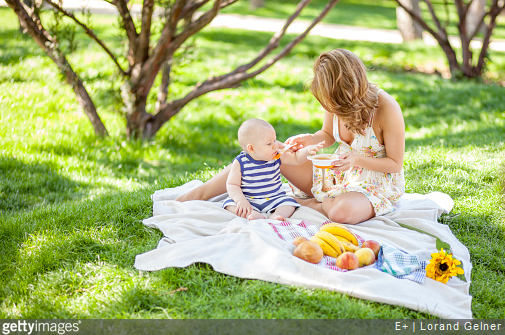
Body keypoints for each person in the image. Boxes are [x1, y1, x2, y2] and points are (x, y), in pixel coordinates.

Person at [177, 49, 405, 225]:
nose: (331, 108)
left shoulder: (386, 109)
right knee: (271, 153)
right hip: (335, 174)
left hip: (374, 184)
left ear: (347, 90)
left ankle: (301, 203)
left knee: (340, 212)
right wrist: (311, 139)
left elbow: (394, 164)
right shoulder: (334, 100)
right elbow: (327, 135)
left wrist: (356, 160)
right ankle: (198, 194)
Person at [222, 118, 324, 221]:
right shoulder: (240, 162)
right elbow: (232, 185)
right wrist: (241, 200)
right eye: (269, 144)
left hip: (274, 198)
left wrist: (307, 151)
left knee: (289, 203)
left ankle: (277, 215)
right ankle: (251, 213)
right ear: (251, 149)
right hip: (248, 199)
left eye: (274, 140)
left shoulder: (276, 156)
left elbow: (296, 159)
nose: (275, 145)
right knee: (229, 204)